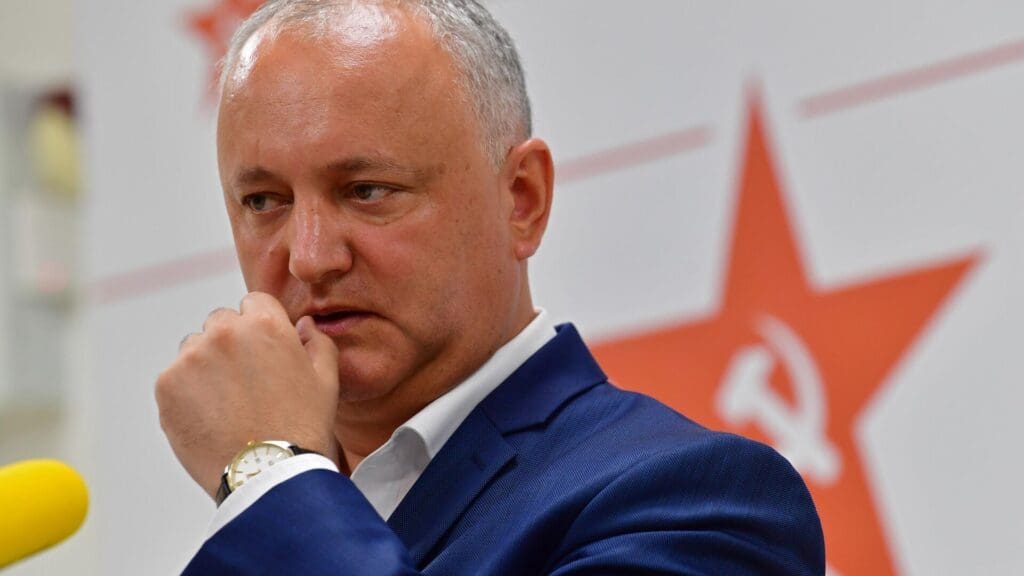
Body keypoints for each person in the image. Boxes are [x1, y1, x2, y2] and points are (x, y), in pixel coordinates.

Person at [154, 0, 826, 574]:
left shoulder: (698, 505)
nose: (308, 258)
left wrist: (270, 474)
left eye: (367, 190)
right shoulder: (266, 517)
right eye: (263, 201)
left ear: (521, 199)